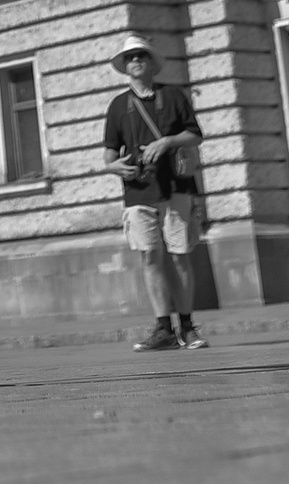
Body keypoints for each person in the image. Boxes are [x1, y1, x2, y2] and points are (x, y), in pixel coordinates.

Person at [101, 35, 206, 352]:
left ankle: (186, 327)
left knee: (181, 257)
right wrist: (116, 167)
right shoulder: (118, 106)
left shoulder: (173, 96)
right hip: (138, 192)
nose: (135, 61)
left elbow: (195, 135)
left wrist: (166, 142)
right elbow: (108, 156)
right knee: (151, 258)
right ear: (125, 66)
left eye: (141, 56)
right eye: (130, 57)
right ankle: (163, 328)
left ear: (150, 63)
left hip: (176, 187)